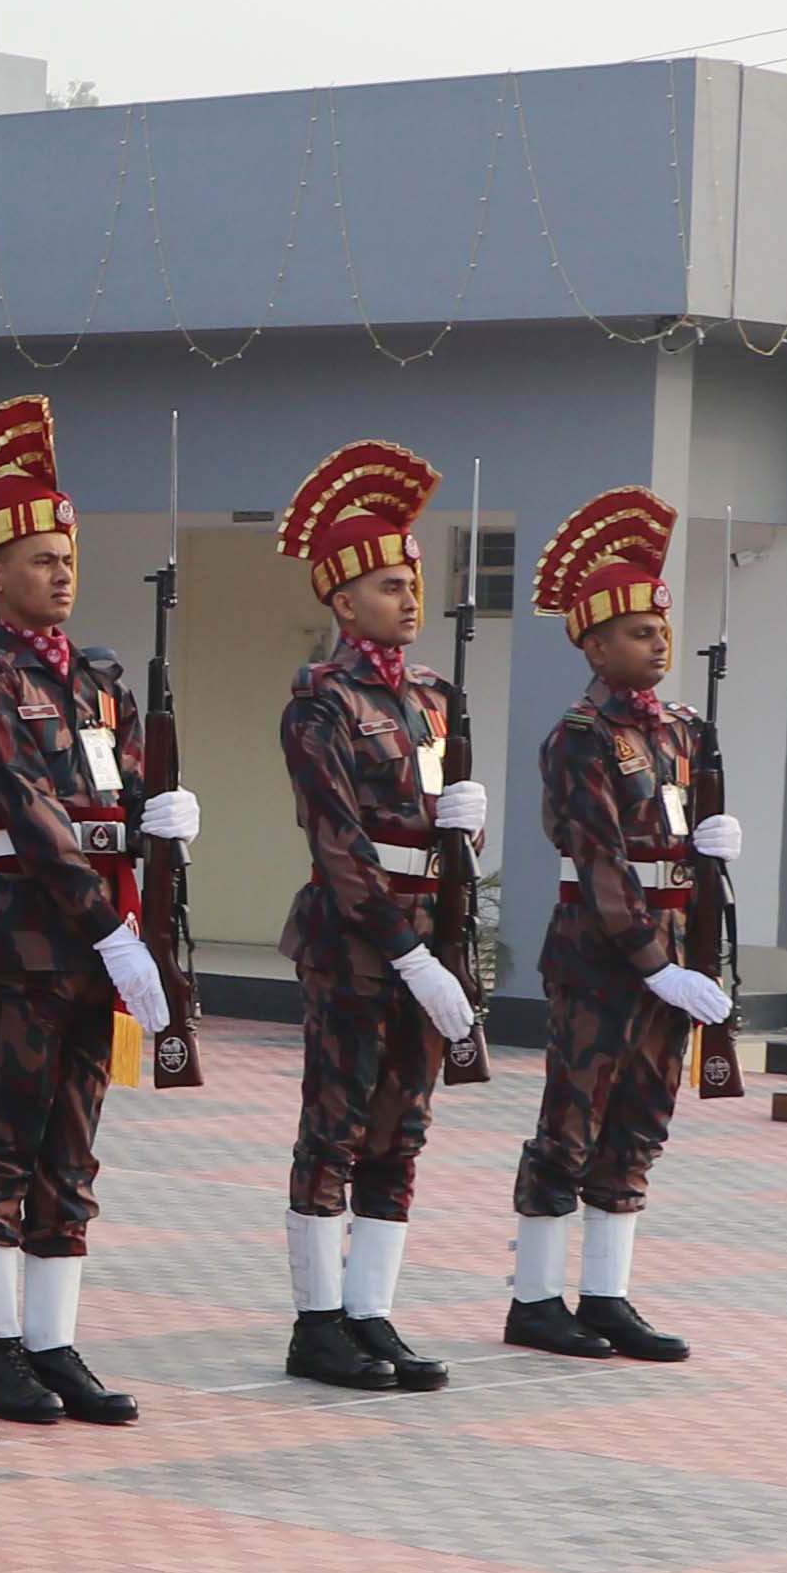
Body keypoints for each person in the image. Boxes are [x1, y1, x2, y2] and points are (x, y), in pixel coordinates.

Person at [0, 395, 196, 1428]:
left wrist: (160, 811)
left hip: (98, 941)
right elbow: (34, 820)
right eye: (37, 558)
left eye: (65, 555)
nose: (59, 571)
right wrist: (106, 926)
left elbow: (118, 789)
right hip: (30, 937)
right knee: (8, 1135)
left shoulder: (98, 679)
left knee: (73, 1142)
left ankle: (53, 1340)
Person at [269, 439, 480, 1392]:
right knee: (338, 1128)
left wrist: (462, 832)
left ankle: (372, 1314)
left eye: (413, 581)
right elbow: (338, 843)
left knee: (404, 1129)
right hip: (357, 943)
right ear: (343, 600)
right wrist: (407, 951)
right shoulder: (320, 705)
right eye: (388, 585)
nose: (408, 597)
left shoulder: (435, 698)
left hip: (428, 931)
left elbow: (432, 827)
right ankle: (317, 1324)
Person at [510, 487, 739, 1360]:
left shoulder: (684, 731)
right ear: (596, 644)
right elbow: (599, 860)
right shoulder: (580, 736)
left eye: (661, 629)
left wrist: (713, 844)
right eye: (640, 632)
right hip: (603, 957)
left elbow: (676, 838)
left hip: (674, 950)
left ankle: (605, 1294)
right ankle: (535, 1297)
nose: (659, 643)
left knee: (641, 1121)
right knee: (571, 1121)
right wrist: (651, 960)